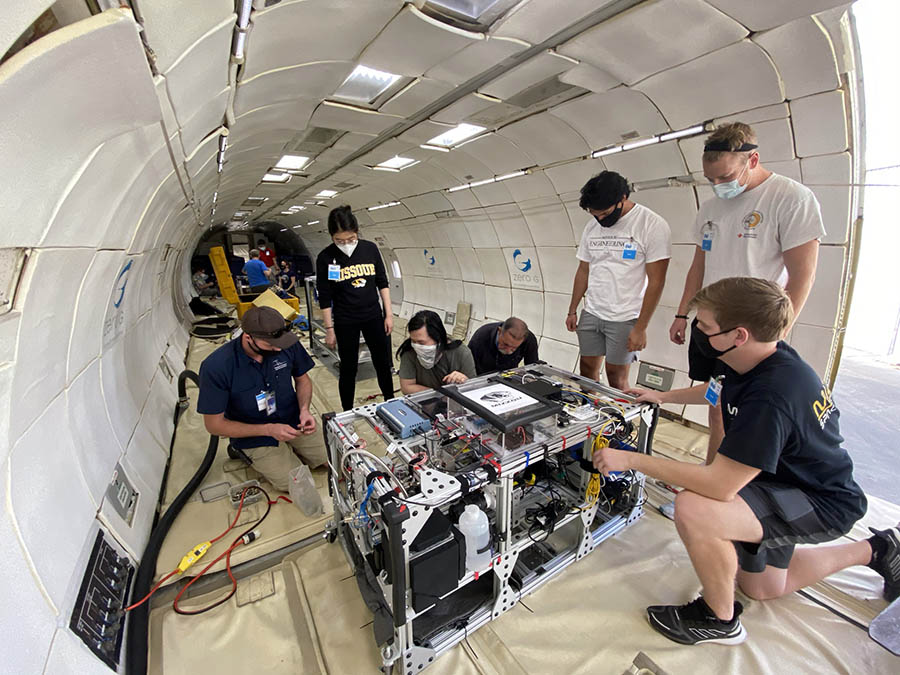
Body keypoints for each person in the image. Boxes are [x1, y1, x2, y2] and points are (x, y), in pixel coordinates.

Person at [598, 277, 900, 645]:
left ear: (738, 334)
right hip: (780, 480)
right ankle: (879, 549)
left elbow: (719, 486)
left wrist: (632, 461)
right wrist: (661, 396)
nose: (699, 333)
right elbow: (718, 393)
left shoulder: (773, 396)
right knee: (761, 587)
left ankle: (718, 618)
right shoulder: (758, 357)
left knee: (694, 508)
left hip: (819, 500)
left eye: (706, 327)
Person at [662, 121, 824, 519]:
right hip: (711, 325)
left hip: (751, 332)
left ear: (752, 159)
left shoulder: (790, 198)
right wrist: (685, 313)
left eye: (726, 176)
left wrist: (775, 336)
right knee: (716, 403)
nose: (718, 184)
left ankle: (730, 492)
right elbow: (699, 264)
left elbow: (802, 276)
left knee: (746, 414)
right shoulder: (712, 206)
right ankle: (709, 483)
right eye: (711, 178)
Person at [197, 306, 327, 492]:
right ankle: (240, 451)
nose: (277, 348)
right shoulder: (217, 367)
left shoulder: (285, 343)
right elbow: (214, 425)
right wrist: (268, 430)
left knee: (332, 460)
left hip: (293, 420)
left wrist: (305, 410)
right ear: (248, 337)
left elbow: (303, 380)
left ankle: (295, 448)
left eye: (279, 343)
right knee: (299, 485)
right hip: (255, 435)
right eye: (269, 345)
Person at [566, 171, 671, 390]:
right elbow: (584, 269)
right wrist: (573, 309)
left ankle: (620, 423)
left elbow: (656, 281)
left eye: (604, 213)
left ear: (622, 198)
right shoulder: (592, 227)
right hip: (592, 311)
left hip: (625, 316)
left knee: (616, 377)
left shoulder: (651, 224)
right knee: (586, 370)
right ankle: (591, 418)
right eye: (595, 215)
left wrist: (641, 327)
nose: (600, 219)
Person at [315, 205, 395, 410]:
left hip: (373, 315)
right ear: (332, 236)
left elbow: (382, 283)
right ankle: (347, 411)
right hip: (345, 319)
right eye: (339, 240)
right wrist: (329, 328)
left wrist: (389, 315)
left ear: (357, 232)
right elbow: (325, 296)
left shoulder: (370, 249)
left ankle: (390, 402)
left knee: (382, 363)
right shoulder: (326, 257)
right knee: (348, 368)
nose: (345, 244)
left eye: (350, 239)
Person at [397, 310, 476, 394]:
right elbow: (407, 387)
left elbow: (474, 389)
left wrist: (464, 381)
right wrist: (439, 394)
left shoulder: (461, 353)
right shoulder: (409, 351)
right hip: (424, 401)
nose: (417, 346)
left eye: (421, 343)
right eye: (413, 341)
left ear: (438, 337)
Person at [468, 317, 539, 375]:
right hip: (481, 377)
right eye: (505, 344)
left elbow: (532, 368)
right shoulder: (481, 336)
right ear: (499, 331)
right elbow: (468, 367)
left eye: (514, 348)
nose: (508, 351)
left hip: (508, 377)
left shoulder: (529, 340)